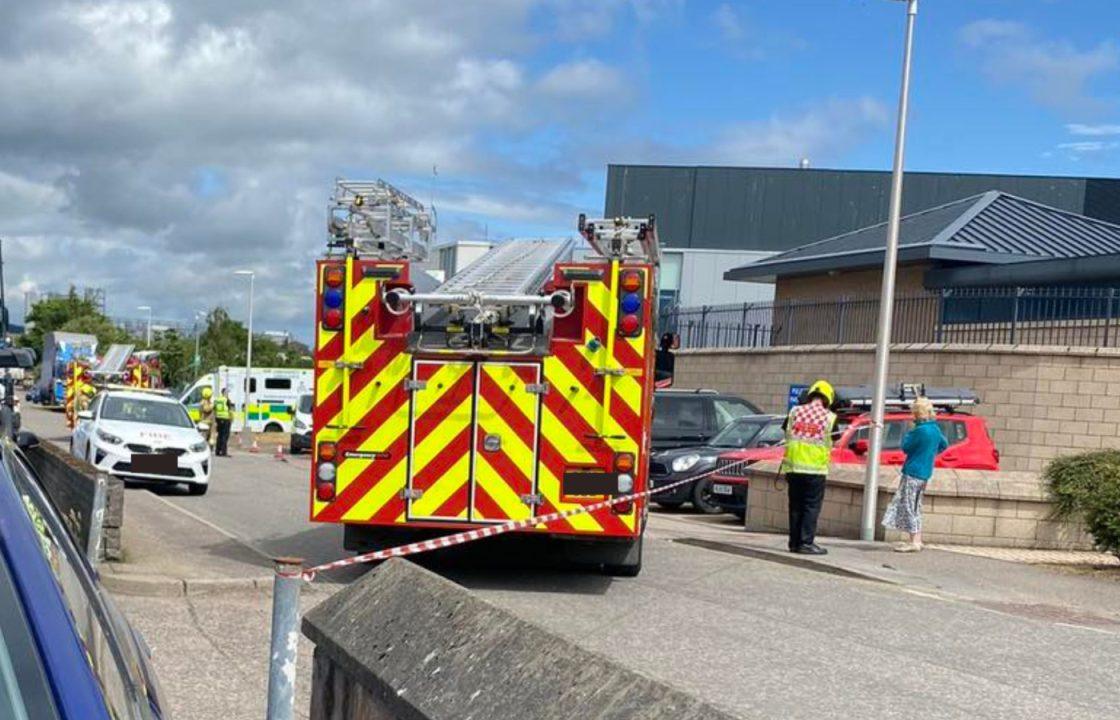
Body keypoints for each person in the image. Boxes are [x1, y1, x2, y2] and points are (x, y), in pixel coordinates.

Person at [882, 397, 947, 553]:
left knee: (909, 506)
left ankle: (914, 541)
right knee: (916, 506)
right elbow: (943, 445)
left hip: (913, 471)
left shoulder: (919, 430)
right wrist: (930, 454)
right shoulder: (935, 429)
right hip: (925, 472)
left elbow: (905, 447)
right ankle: (917, 539)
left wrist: (910, 432)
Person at [781, 379, 837, 555]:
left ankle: (794, 543)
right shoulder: (829, 417)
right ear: (828, 398)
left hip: (793, 468)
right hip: (815, 470)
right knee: (811, 507)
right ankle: (806, 543)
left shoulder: (795, 411)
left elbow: (786, 431)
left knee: (795, 506)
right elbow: (834, 440)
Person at [214, 388, 232, 457]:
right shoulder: (227, 400)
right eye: (227, 393)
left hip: (218, 418)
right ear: (224, 393)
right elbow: (230, 410)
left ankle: (217, 451)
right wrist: (231, 418)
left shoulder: (218, 399)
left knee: (219, 435)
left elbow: (214, 408)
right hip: (225, 419)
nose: (228, 394)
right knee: (225, 436)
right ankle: (224, 452)